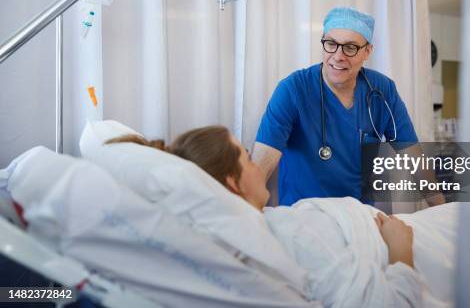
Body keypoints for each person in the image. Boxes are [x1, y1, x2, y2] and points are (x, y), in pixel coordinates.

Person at [107, 126, 433, 307]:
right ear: (234, 184)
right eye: (247, 158)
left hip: (378, 224)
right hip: (404, 242)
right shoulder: (291, 238)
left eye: (351, 48)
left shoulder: (266, 228)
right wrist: (400, 252)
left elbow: (406, 141)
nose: (256, 166)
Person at [252, 6, 445, 206]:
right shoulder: (293, 90)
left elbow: (413, 158)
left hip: (361, 218)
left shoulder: (382, 91)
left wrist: (440, 211)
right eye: (331, 44)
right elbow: (259, 169)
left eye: (350, 47)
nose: (338, 56)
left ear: (367, 51)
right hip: (304, 217)